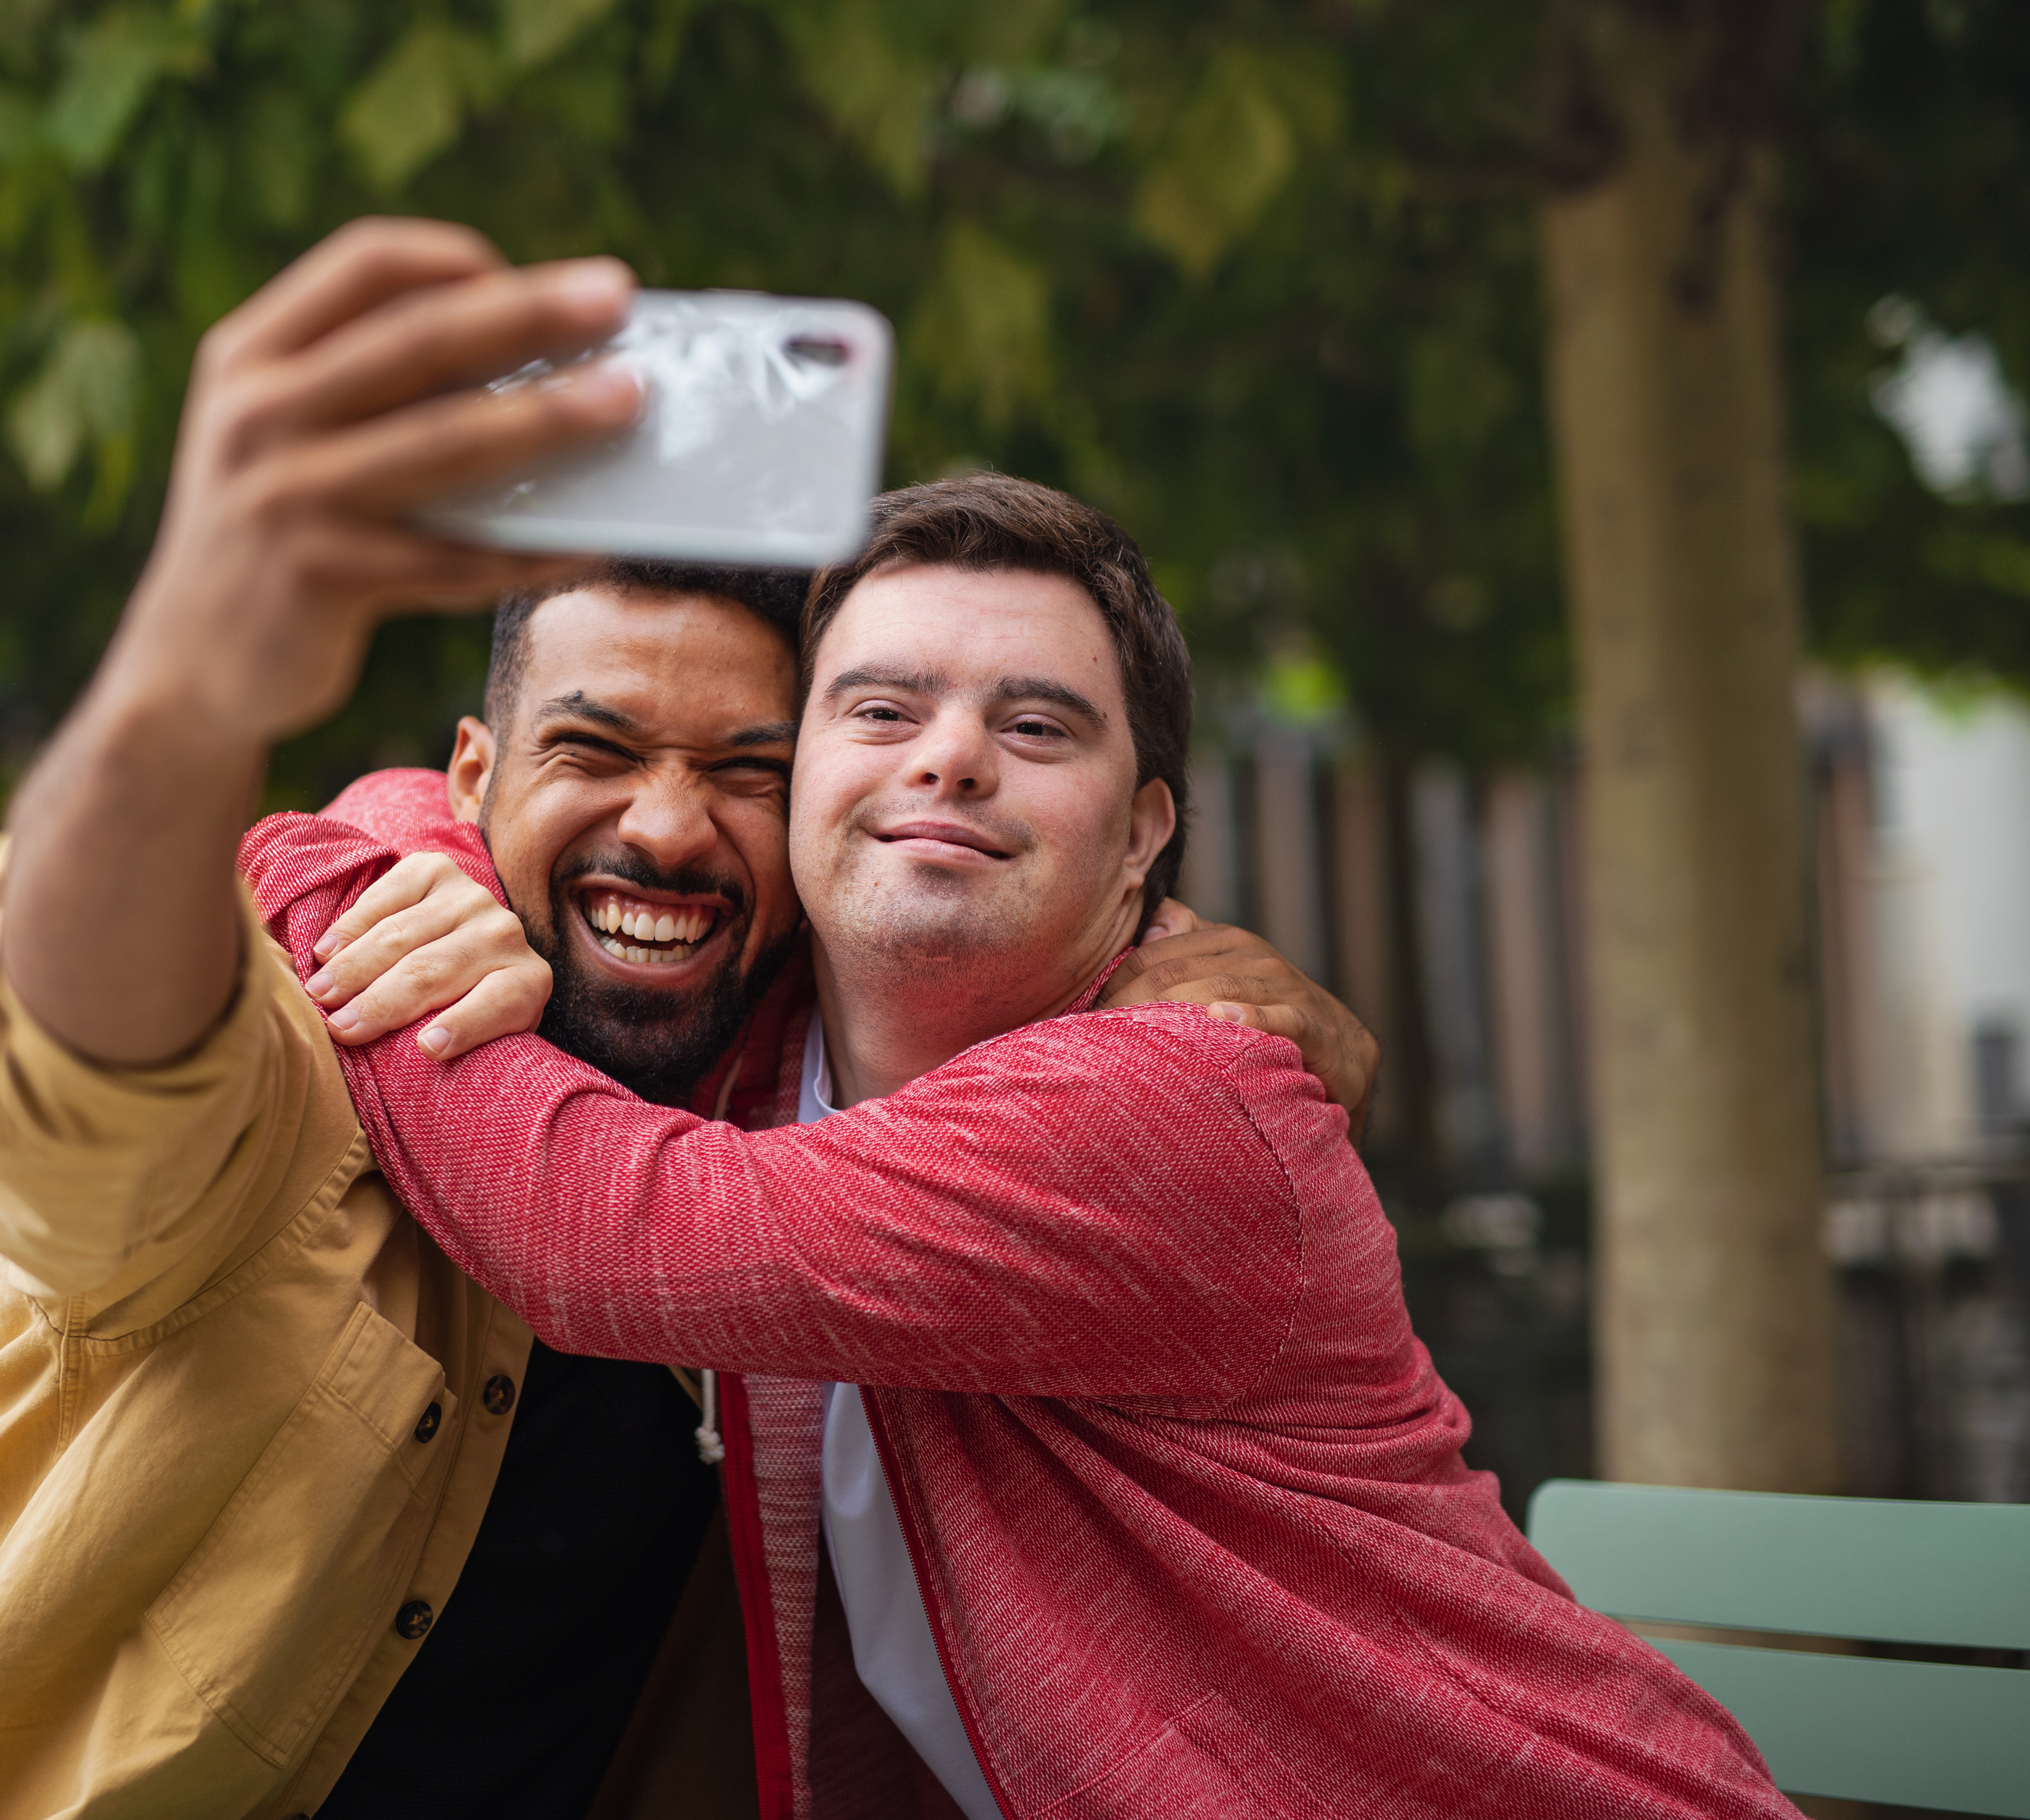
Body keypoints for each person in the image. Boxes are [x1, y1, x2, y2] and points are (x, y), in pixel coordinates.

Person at [0, 219, 1364, 1820]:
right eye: (596, 749)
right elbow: (70, 1083)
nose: (671, 829)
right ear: (475, 778)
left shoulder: (818, 1117)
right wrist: (188, 686)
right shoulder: (324, 1032)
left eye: (747, 772)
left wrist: (1271, 999)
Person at [253, 476, 1802, 1819]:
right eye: (877, 709)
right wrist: (418, 842)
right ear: (799, 789)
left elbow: (617, 1236)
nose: (949, 759)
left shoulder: (1176, 1099)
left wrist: (331, 904)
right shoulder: (760, 1053)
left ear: (1141, 835)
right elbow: (525, 797)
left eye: (1037, 724)